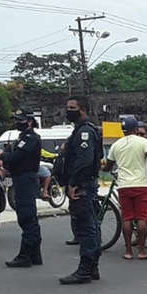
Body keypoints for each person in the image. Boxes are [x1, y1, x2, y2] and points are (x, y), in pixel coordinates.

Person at [58, 95, 103, 284]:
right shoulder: (81, 130)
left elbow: (84, 161)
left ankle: (85, 269)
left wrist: (74, 183)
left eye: (71, 107)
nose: (68, 110)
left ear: (82, 109)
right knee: (90, 226)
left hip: (82, 185)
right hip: (84, 183)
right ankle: (92, 268)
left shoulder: (85, 132)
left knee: (85, 228)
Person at [102, 117, 147, 260]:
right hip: (141, 185)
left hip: (124, 186)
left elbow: (108, 166)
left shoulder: (116, 145)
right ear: (136, 129)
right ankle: (141, 251)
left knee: (126, 218)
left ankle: (128, 251)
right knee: (142, 218)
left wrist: (102, 167)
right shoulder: (144, 142)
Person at [1, 109, 42, 268]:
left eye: (20, 120)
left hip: (25, 179)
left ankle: (25, 255)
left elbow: (14, 159)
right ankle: (35, 254)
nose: (17, 123)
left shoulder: (30, 139)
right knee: (30, 217)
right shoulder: (24, 138)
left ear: (29, 122)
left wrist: (5, 154)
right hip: (23, 179)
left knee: (26, 217)